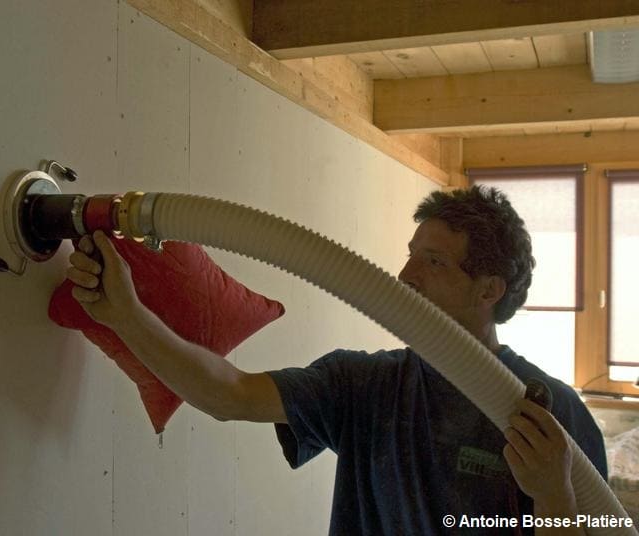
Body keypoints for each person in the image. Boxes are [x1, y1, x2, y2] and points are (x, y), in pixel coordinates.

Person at [67, 186, 607, 535]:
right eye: (411, 255)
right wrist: (127, 317)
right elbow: (228, 394)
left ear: (489, 289)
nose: (404, 277)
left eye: (434, 262)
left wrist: (554, 496)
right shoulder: (365, 384)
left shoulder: (549, 411)